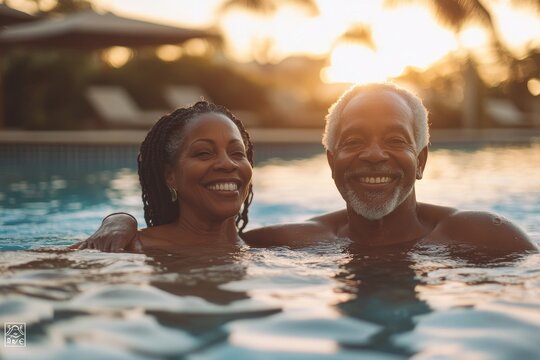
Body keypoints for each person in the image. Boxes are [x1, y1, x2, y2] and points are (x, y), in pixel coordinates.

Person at [80, 83, 537, 254]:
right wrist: (118, 220)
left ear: (420, 162)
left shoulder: (486, 237)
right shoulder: (287, 244)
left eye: (395, 141)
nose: (374, 155)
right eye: (354, 142)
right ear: (331, 162)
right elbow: (10, 322)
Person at [73, 101, 254, 252]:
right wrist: (119, 220)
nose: (228, 164)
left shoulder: (270, 244)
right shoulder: (127, 248)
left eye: (237, 153)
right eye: (204, 153)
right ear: (170, 176)